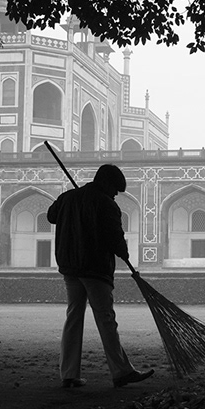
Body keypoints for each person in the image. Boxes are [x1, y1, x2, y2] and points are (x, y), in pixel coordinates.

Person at [47, 163, 154, 389]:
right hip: (94, 268)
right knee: (105, 318)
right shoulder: (106, 204)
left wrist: (74, 202)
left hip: (70, 266)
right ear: (106, 183)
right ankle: (121, 371)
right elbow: (115, 237)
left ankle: (68, 374)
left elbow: (51, 216)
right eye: (115, 189)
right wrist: (125, 256)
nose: (115, 194)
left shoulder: (68, 198)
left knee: (74, 317)